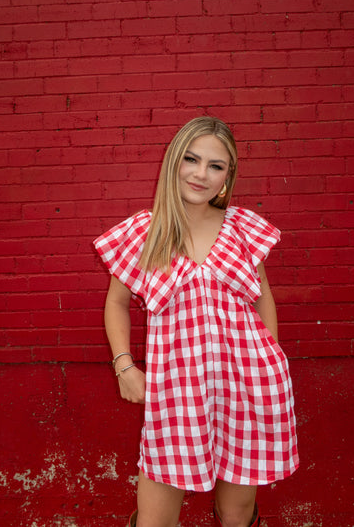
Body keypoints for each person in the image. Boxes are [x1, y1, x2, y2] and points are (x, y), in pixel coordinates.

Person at [93, 117, 299, 527]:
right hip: (175, 394)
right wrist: (124, 366)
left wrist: (270, 360)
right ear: (174, 163)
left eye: (215, 165)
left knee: (236, 514)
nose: (201, 174)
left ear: (227, 176)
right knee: (156, 520)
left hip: (246, 388)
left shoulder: (242, 229)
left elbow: (263, 298)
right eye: (191, 159)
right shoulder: (144, 233)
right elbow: (116, 303)